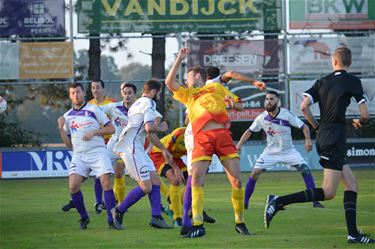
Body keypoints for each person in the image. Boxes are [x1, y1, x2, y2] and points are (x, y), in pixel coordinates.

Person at [264, 47, 374, 244]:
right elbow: (365, 114)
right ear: (348, 62)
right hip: (335, 138)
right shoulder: (353, 81)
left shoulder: (322, 81)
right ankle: (278, 201)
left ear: (334, 62)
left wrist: (316, 127)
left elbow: (303, 107)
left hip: (325, 135)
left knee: (352, 185)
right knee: (329, 191)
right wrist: (361, 122)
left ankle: (353, 234)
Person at [165, 47, 251, 238]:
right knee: (196, 179)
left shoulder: (216, 87)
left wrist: (231, 103)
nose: (186, 81)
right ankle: (198, 224)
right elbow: (169, 83)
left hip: (222, 135)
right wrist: (179, 58)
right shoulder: (188, 95)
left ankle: (240, 221)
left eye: (188, 77)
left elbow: (239, 104)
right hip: (201, 138)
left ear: (196, 76)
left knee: (236, 180)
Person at [236, 90, 324, 210]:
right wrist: (239, 145)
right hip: (270, 152)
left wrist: (307, 139)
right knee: (254, 173)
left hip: (288, 151)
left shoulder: (286, 114)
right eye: (267, 99)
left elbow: (304, 126)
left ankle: (315, 201)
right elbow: (249, 131)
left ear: (278, 101)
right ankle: (245, 203)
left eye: (271, 99)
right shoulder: (261, 118)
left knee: (306, 170)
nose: (268, 101)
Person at [57, 82, 122, 230]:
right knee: (73, 186)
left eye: (78, 92)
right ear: (70, 96)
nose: (76, 95)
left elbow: (111, 128)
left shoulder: (94, 109)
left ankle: (112, 220)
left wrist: (94, 132)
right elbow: (68, 145)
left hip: (98, 152)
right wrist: (61, 129)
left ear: (83, 93)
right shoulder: (67, 116)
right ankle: (84, 217)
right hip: (79, 155)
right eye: (73, 93)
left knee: (106, 182)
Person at [112, 80, 173, 229]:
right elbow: (149, 127)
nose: (159, 96)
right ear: (153, 92)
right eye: (158, 93)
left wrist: (163, 149)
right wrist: (162, 127)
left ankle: (156, 217)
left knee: (155, 181)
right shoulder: (148, 103)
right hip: (131, 148)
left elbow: (148, 133)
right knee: (146, 187)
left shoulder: (138, 103)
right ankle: (118, 211)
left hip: (136, 147)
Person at [100, 83, 137, 204]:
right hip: (113, 146)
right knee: (103, 172)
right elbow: (96, 110)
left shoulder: (139, 109)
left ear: (134, 94)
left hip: (129, 148)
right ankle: (101, 202)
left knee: (139, 176)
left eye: (130, 93)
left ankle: (121, 204)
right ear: (122, 93)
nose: (127, 96)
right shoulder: (114, 107)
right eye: (125, 93)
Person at [149, 127, 187, 226]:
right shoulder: (179, 134)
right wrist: (176, 168)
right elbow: (167, 152)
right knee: (175, 180)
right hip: (160, 153)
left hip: (175, 157)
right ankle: (177, 217)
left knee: (191, 182)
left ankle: (172, 207)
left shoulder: (199, 138)